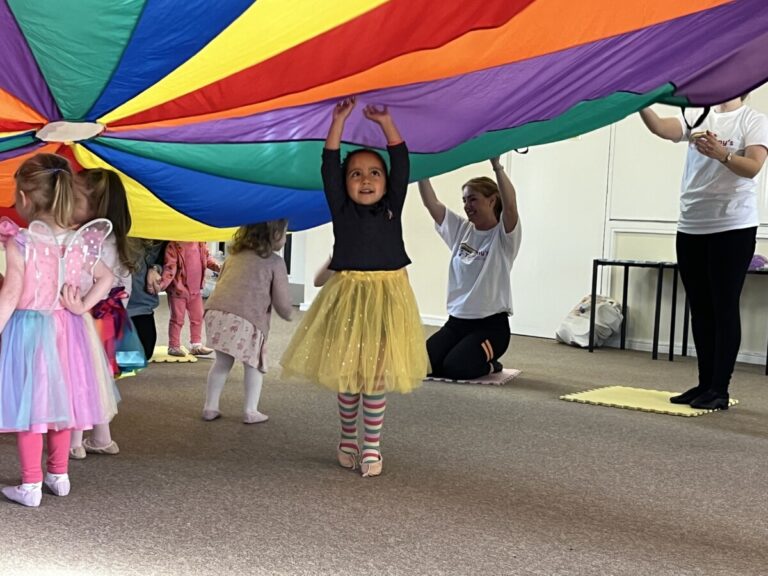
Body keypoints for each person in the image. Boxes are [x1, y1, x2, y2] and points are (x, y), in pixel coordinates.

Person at [281, 97, 427, 478]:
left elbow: (402, 163)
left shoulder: (393, 205)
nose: (366, 180)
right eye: (356, 174)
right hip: (348, 295)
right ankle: (348, 438)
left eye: (374, 174)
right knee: (349, 373)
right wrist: (338, 122)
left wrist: (387, 123)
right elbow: (329, 166)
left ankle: (373, 446)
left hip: (388, 296)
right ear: (344, 185)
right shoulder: (341, 209)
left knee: (376, 374)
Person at [0, 153, 118, 507]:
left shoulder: (20, 241)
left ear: (23, 198)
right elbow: (106, 278)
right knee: (66, 402)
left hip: (30, 331)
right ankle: (59, 474)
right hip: (70, 328)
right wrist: (81, 306)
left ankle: (31, 484)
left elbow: (10, 292)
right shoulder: (78, 240)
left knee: (31, 407)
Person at [639, 96, 768, 410]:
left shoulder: (753, 120)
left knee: (724, 306)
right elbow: (660, 128)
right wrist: (639, 102)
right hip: (692, 224)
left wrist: (722, 154)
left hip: (733, 224)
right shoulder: (697, 115)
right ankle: (704, 383)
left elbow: (752, 167)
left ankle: (720, 389)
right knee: (700, 308)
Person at [417, 157, 522, 381]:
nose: (467, 206)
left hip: (491, 328)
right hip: (457, 323)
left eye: (473, 199)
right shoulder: (460, 230)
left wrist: (497, 165)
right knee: (423, 365)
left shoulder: (504, 236)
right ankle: (471, 357)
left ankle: (492, 365)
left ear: (492, 200)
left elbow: (511, 205)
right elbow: (431, 204)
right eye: (464, 200)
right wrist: (420, 170)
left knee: (457, 368)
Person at [69, 168, 143, 459]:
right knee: (100, 379)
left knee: (80, 377)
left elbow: (86, 283)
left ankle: (75, 442)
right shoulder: (118, 241)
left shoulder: (88, 242)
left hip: (89, 318)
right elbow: (123, 286)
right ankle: (102, 437)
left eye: (74, 198)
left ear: (93, 207)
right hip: (113, 321)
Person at [202, 221, 293, 423]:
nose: (286, 238)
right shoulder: (275, 262)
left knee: (222, 362)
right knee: (254, 364)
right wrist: (288, 314)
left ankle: (210, 407)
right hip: (247, 318)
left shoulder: (234, 256)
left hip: (216, 313)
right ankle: (251, 411)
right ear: (275, 234)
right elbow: (282, 301)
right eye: (285, 233)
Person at [158, 241, 221, 357]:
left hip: (195, 290)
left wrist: (218, 267)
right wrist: (161, 284)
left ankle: (196, 345)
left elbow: (207, 259)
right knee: (177, 319)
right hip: (178, 290)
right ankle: (174, 346)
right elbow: (169, 267)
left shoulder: (200, 243)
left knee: (198, 317)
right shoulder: (174, 245)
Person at [127, 240, 168, 360]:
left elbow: (167, 261)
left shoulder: (163, 240)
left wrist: (155, 269)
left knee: (144, 353)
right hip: (117, 307)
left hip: (143, 306)